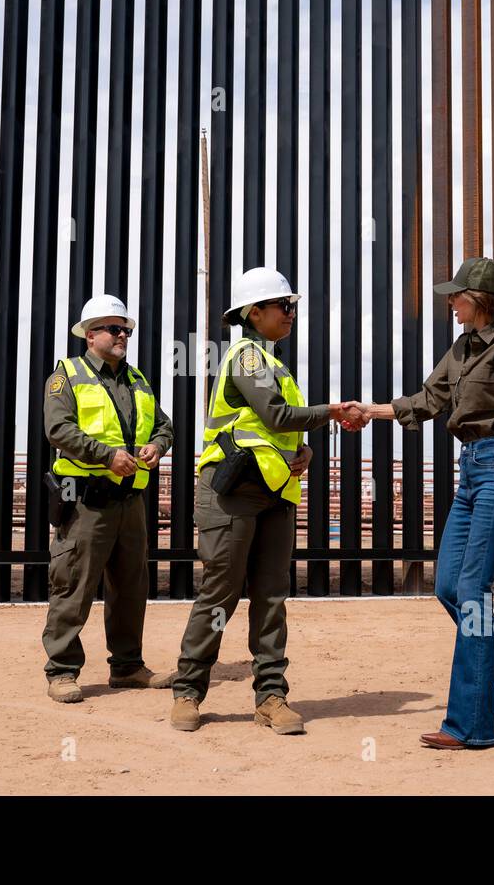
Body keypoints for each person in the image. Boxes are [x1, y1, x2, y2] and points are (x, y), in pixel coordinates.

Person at [364, 257, 494, 749]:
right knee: (450, 585)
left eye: (456, 295)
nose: (449, 302)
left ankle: (470, 725)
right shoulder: (463, 347)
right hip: (471, 468)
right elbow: (429, 399)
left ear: (480, 301)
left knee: (472, 590)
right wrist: (370, 411)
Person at [170, 267, 367, 735]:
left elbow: (283, 429)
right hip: (232, 493)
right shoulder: (247, 356)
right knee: (220, 592)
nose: (291, 313)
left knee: (272, 596)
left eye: (292, 305)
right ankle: (188, 691)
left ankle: (271, 696)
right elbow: (276, 415)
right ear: (254, 312)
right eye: (284, 305)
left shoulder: (274, 362)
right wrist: (333, 412)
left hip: (274, 492)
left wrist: (305, 450)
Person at [41, 294, 175, 702]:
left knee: (132, 587)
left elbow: (164, 425)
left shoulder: (138, 380)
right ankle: (62, 670)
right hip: (85, 503)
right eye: (115, 329)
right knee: (73, 585)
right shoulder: (67, 376)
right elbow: (58, 429)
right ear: (90, 333)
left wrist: (158, 445)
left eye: (127, 330)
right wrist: (107, 456)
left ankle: (128, 667)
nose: (123, 336)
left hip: (129, 503)